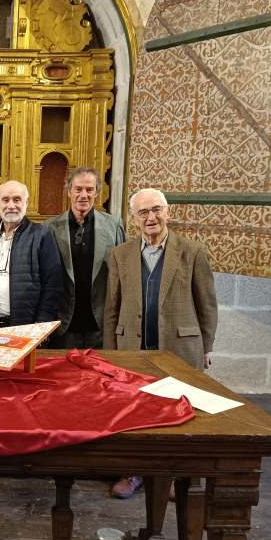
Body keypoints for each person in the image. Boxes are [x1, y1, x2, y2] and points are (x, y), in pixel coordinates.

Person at [104, 187, 218, 499]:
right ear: (134, 218)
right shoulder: (120, 254)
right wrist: (111, 353)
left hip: (179, 348)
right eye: (143, 212)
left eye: (156, 209)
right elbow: (111, 308)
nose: (151, 217)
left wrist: (207, 346)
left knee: (178, 412)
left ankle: (172, 475)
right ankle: (134, 472)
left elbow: (207, 304)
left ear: (168, 212)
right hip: (133, 349)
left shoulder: (192, 251)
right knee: (134, 412)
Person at [44, 167, 125, 348]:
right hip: (63, 325)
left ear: (96, 192)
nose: (83, 195)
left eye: (89, 190)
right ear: (69, 191)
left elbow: (123, 275)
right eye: (78, 189)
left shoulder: (114, 226)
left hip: (101, 324)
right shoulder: (49, 228)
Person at [0, 180, 63, 326]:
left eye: (17, 199)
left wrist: (42, 323)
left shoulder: (41, 235)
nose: (11, 205)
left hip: (25, 325)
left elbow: (52, 284)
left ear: (26, 202)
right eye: (5, 200)